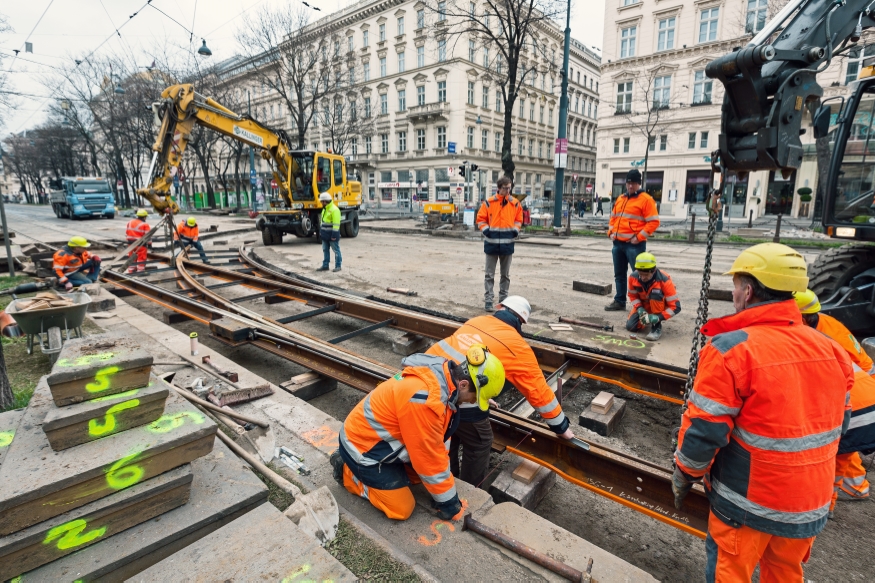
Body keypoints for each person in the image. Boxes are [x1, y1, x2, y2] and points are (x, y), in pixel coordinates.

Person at [672, 243, 855, 581]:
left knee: (732, 573)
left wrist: (685, 475)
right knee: (785, 574)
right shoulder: (833, 350)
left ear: (749, 290)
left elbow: (705, 430)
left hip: (746, 504)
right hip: (808, 503)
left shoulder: (731, 350)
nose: (734, 292)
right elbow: (840, 426)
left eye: (736, 285)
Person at [330, 347, 505, 521]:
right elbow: (427, 456)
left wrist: (442, 488)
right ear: (464, 384)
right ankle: (348, 472)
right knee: (402, 509)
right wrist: (448, 502)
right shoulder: (424, 399)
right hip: (362, 449)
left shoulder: (445, 379)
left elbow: (437, 442)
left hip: (380, 442)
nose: (473, 402)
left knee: (417, 479)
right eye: (475, 397)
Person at [426, 296, 574, 487]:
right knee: (480, 441)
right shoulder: (517, 346)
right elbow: (540, 393)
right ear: (521, 322)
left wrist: (484, 396)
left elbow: (465, 360)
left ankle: (449, 475)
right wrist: (561, 427)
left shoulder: (476, 321)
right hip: (458, 395)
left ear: (500, 308)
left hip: (426, 378)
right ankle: (470, 489)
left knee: (449, 431)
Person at [795, 289, 875, 512]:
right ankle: (856, 488)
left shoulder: (817, 337)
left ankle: (824, 507)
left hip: (856, 401)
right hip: (865, 396)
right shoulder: (823, 329)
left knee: (833, 456)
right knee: (845, 450)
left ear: (801, 317)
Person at [605, 170, 659, 311]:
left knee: (641, 276)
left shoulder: (646, 200)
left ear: (638, 184)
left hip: (634, 245)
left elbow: (653, 222)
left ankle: (643, 305)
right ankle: (620, 300)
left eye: (633, 184)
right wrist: (610, 232)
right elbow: (613, 217)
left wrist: (639, 237)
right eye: (628, 183)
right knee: (619, 274)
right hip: (618, 243)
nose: (630, 186)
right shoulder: (621, 199)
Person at [476, 176, 522, 312]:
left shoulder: (515, 203)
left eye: (509, 188)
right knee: (489, 275)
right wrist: (487, 231)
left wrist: (515, 231)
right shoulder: (489, 203)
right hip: (491, 244)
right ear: (499, 188)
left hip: (507, 244)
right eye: (505, 188)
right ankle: (489, 301)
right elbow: (480, 219)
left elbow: (519, 219)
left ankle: (503, 301)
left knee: (505, 275)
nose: (508, 190)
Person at [625, 252, 680, 341]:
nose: (642, 277)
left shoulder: (664, 280)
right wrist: (640, 308)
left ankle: (656, 326)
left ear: (653, 270)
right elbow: (633, 296)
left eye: (645, 275)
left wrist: (659, 317)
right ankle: (647, 319)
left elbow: (676, 307)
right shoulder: (633, 277)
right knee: (631, 327)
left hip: (658, 306)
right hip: (644, 305)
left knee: (656, 294)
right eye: (640, 274)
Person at [317, 192, 341, 272]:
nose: (321, 203)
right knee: (325, 250)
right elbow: (322, 222)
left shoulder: (335, 210)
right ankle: (325, 265)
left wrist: (334, 235)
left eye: (321, 201)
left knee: (336, 250)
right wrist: (321, 232)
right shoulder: (325, 209)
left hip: (332, 234)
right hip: (325, 234)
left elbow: (336, 224)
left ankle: (338, 266)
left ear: (325, 201)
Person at [125, 209, 151, 274]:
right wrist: (150, 244)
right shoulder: (145, 224)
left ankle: (131, 270)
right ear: (145, 217)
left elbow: (127, 232)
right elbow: (148, 236)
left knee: (131, 256)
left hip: (130, 243)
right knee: (141, 257)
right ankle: (140, 271)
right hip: (140, 244)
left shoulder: (130, 222)